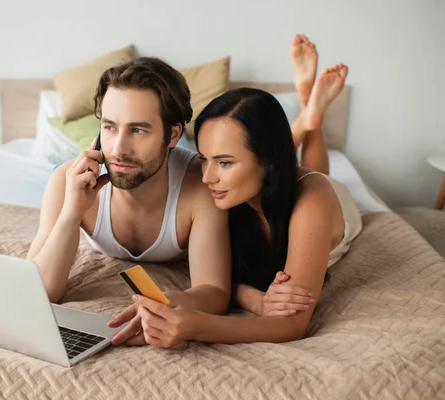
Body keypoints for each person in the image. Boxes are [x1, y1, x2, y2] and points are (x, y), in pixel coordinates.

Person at [131, 35, 363, 347]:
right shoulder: (223, 193)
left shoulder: (312, 202)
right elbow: (219, 277)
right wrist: (254, 299)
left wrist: (196, 326)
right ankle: (306, 116)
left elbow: (291, 326)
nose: (207, 178)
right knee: (267, 166)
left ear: (267, 162)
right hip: (268, 174)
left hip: (333, 207)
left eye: (224, 163)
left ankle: (310, 117)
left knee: (317, 177)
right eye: (204, 159)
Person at [27, 57, 232, 346]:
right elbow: (39, 291)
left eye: (138, 130)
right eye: (110, 127)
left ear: (173, 134)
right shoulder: (66, 182)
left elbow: (214, 290)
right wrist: (72, 214)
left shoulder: (200, 185)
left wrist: (173, 302)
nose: (119, 149)